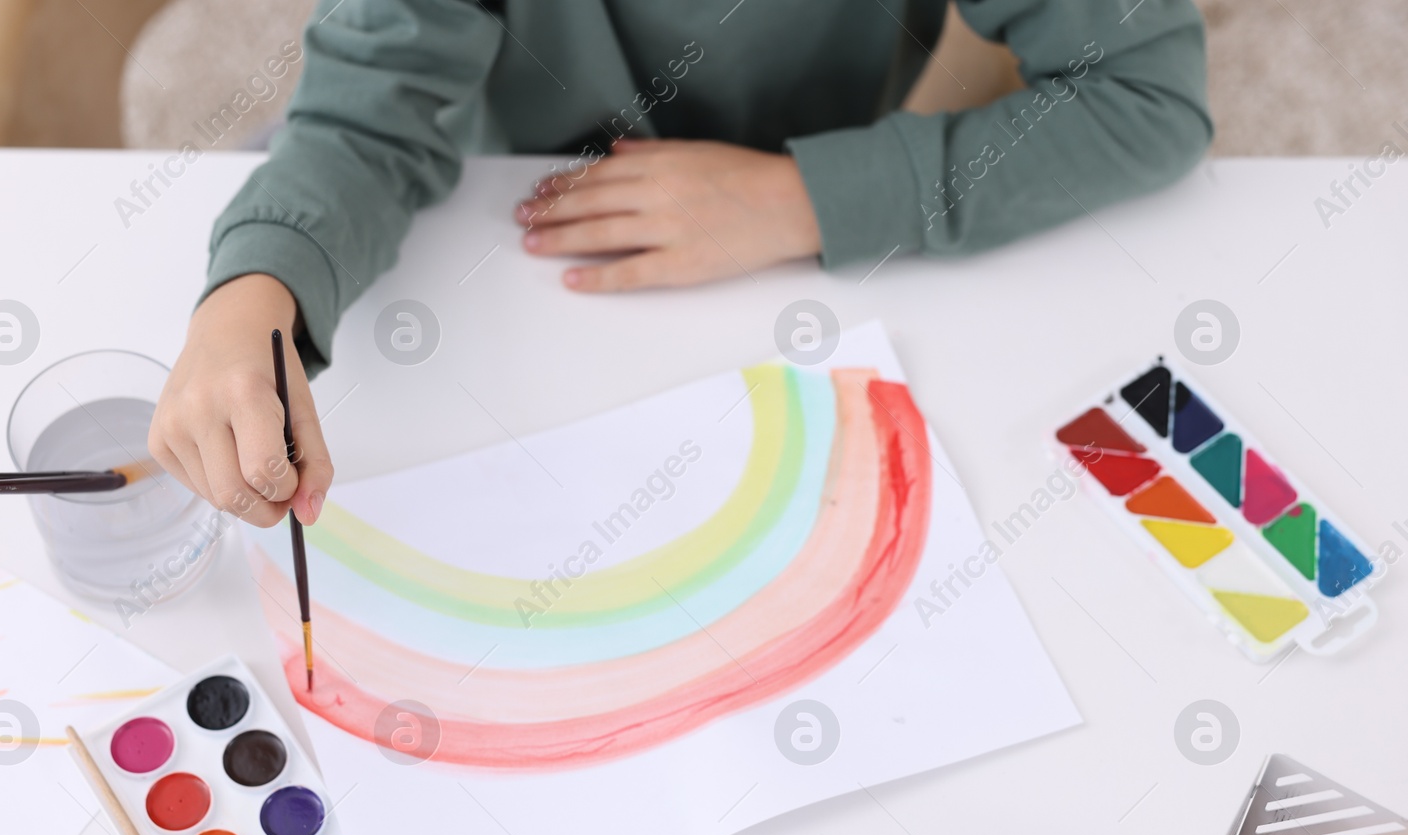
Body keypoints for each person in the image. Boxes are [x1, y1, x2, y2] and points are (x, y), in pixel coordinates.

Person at [149, 0, 1212, 528]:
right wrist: (254, 297)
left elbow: (1147, 94)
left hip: (785, 220)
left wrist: (795, 197)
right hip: (469, 203)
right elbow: (367, 121)